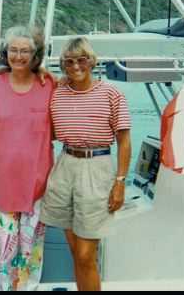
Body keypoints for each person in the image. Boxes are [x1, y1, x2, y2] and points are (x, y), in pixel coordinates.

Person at [40, 37, 132, 291]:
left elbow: (124, 141)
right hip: (65, 165)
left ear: (91, 62)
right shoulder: (57, 92)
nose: (75, 66)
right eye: (69, 62)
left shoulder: (111, 94)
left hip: (97, 166)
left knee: (85, 254)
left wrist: (120, 183)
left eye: (81, 60)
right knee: (74, 251)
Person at [0, 26, 57, 291]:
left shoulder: (48, 84)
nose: (18, 56)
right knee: (6, 255)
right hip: (5, 189)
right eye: (13, 50)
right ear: (5, 53)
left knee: (32, 256)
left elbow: (74, 102)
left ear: (35, 55)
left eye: (25, 51)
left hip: (38, 187)